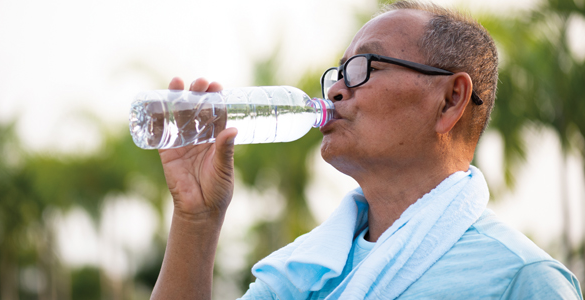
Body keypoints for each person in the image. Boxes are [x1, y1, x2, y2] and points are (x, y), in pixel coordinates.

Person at [150, 1, 583, 299]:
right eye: (337, 73)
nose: (337, 89)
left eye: (363, 68)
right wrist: (197, 218)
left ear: (451, 100)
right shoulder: (304, 275)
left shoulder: (521, 280)